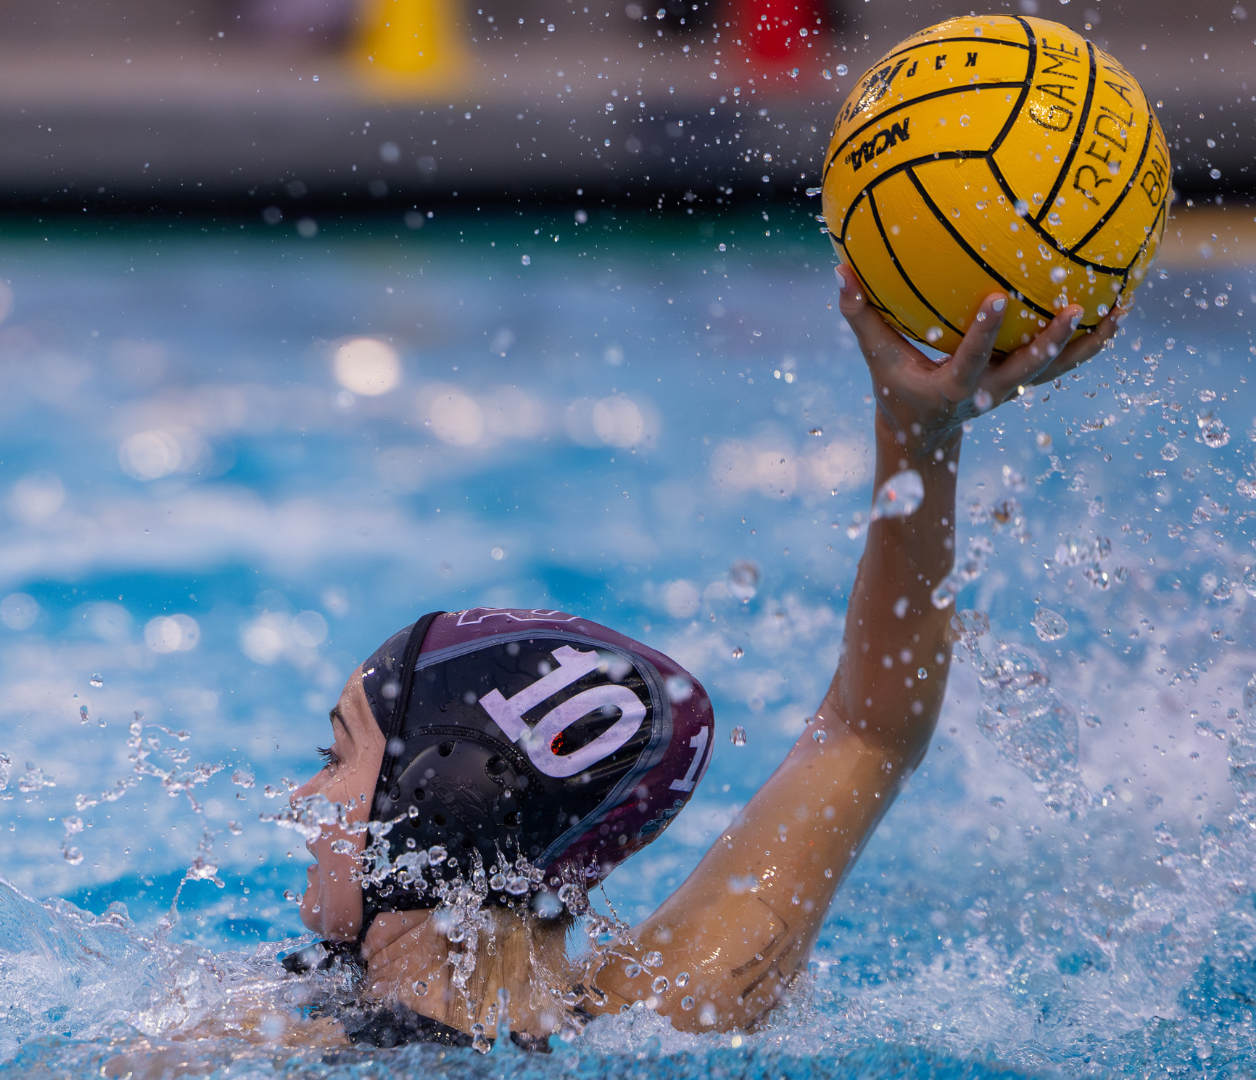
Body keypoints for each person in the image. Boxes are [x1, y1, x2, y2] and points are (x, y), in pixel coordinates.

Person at [282, 266, 1125, 1047]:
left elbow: (868, 729)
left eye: (337, 756)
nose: (303, 797)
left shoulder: (273, 1048)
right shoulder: (671, 1005)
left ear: (442, 797)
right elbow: (868, 732)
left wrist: (920, 431)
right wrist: (919, 435)